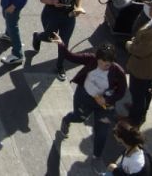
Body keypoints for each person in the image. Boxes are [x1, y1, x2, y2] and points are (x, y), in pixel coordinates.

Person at [50, 38, 126, 167]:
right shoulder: (90, 59)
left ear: (112, 62)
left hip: (103, 105)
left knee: (102, 131)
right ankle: (67, 120)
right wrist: (61, 45)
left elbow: (121, 92)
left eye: (107, 65)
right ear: (97, 59)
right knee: (79, 118)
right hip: (84, 96)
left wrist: (107, 100)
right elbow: (71, 57)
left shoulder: (118, 72)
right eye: (101, 63)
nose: (103, 67)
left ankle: (96, 157)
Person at [29, 0, 84, 80]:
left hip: (68, 17)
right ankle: (37, 37)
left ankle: (60, 66)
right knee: (50, 38)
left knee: (64, 43)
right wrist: (53, 2)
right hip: (51, 15)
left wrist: (78, 9)